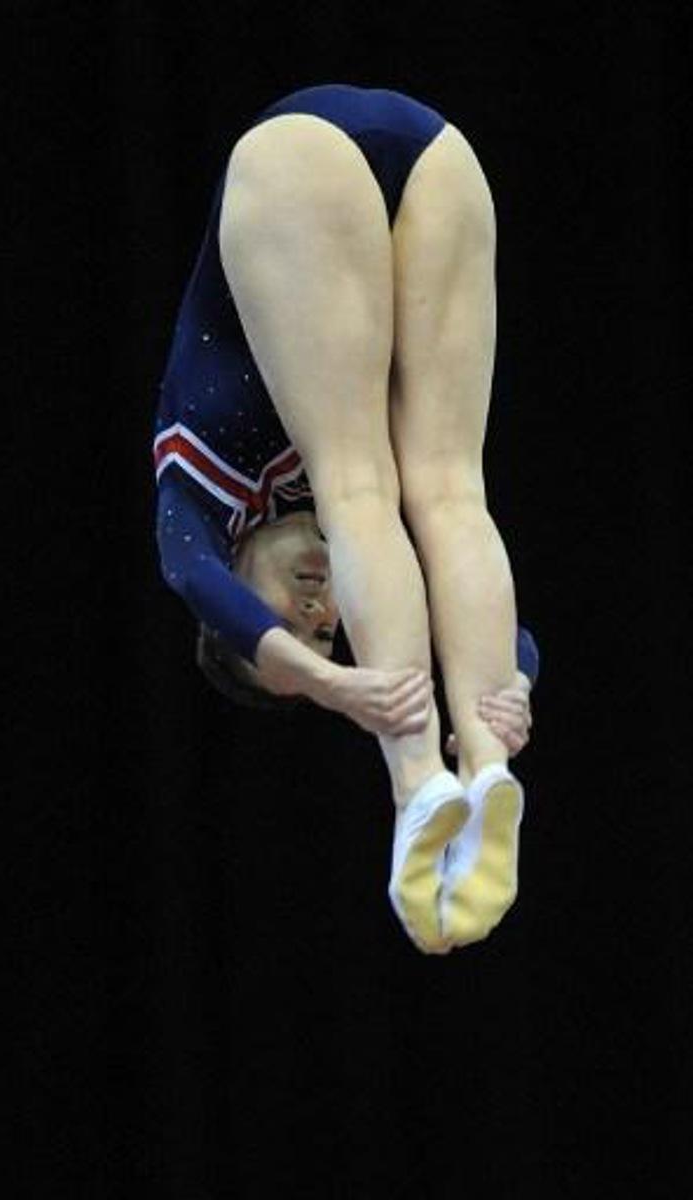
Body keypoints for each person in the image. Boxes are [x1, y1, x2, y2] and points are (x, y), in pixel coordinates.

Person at [153, 84, 540, 956]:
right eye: (334, 635)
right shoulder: (370, 557)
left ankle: (416, 787)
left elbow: (194, 582)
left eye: (300, 629)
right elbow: (511, 631)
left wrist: (337, 691)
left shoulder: (198, 494)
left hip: (296, 164)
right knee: (449, 496)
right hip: (439, 151)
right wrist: (508, 689)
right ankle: (483, 771)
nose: (323, 615)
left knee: (358, 487)